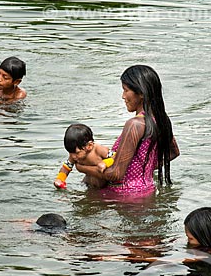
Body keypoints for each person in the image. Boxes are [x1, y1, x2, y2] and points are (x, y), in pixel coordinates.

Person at [76, 65, 180, 196]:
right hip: (147, 191)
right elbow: (173, 152)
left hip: (122, 196)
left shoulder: (134, 125)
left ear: (141, 93)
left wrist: (82, 168)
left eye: (126, 90)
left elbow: (116, 174)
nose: (123, 96)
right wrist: (141, 170)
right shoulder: (161, 119)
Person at [53, 124, 114, 189]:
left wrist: (105, 163)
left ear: (89, 146)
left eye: (77, 153)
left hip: (104, 185)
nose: (73, 156)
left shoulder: (98, 150)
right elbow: (66, 168)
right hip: (87, 184)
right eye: (70, 152)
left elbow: (116, 156)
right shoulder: (74, 155)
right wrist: (60, 179)